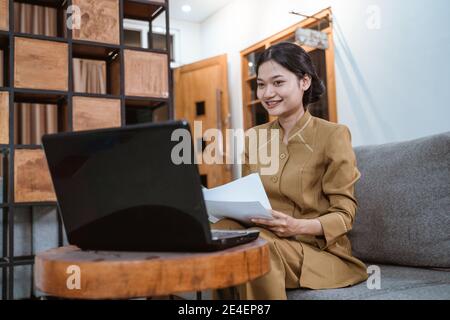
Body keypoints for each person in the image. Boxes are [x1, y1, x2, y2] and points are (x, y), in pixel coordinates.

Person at [213, 42, 368, 300]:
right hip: (269, 239)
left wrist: (298, 226)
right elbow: (246, 201)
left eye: (278, 82)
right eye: (261, 85)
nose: (267, 93)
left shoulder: (333, 135)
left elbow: (344, 214)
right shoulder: (254, 137)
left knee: (256, 246)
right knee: (222, 232)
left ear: (304, 82)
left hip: (318, 253)